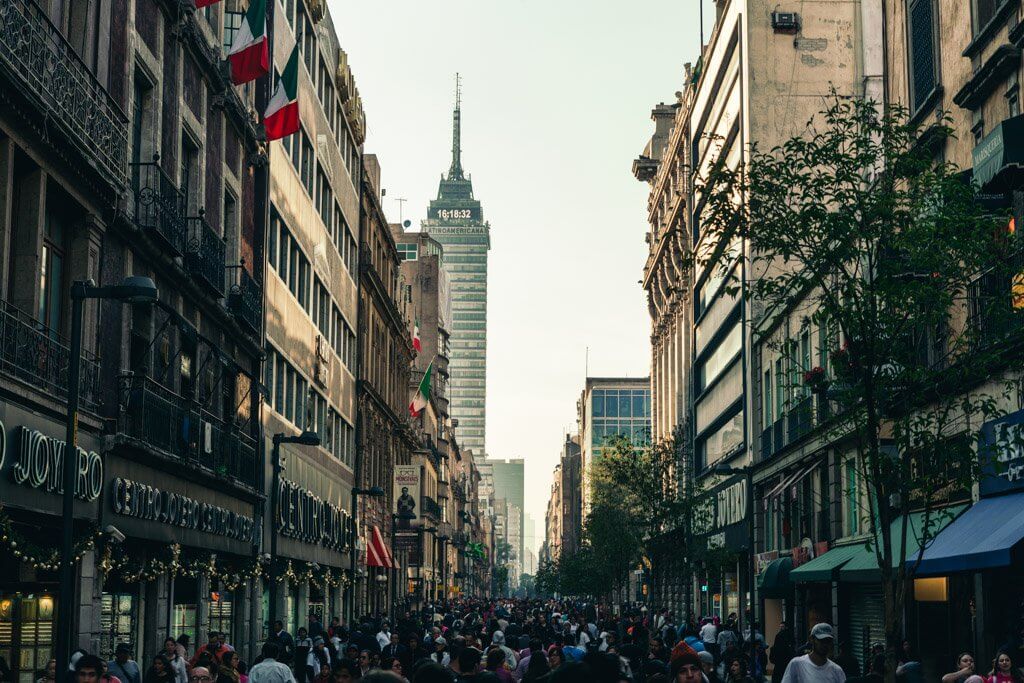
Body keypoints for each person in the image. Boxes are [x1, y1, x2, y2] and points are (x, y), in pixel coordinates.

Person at [779, 624, 844, 683]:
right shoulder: (797, 664)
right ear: (812, 639)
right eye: (821, 640)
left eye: (828, 641)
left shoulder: (836, 670)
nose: (825, 644)